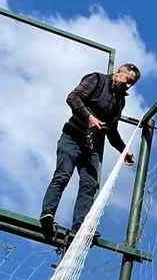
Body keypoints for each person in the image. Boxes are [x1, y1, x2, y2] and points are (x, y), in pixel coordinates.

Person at [39, 63, 140, 244]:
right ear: (118, 72)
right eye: (127, 80)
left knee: (89, 185)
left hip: (92, 147)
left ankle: (80, 228)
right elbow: (73, 97)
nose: (128, 86)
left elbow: (112, 130)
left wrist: (123, 150)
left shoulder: (120, 101)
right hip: (72, 137)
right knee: (63, 175)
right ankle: (48, 214)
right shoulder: (97, 79)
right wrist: (89, 117)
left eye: (131, 84)